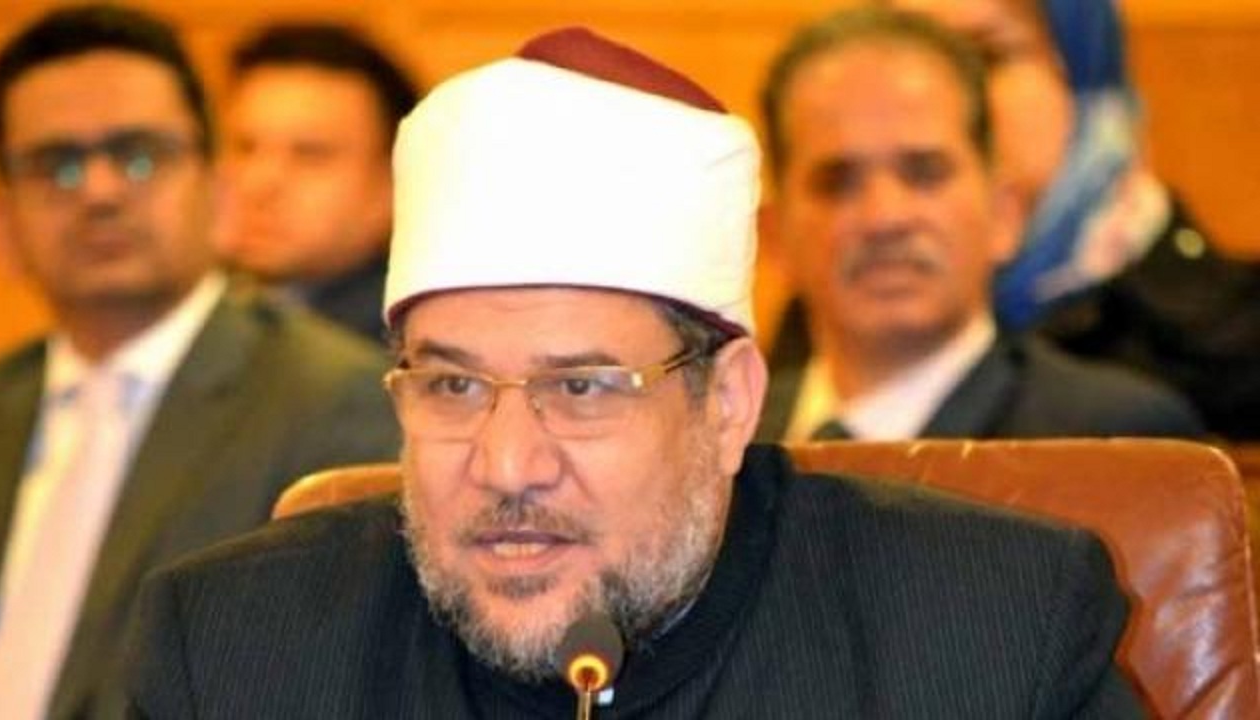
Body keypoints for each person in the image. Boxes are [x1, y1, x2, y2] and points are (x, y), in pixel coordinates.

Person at [124, 24, 1144, 717]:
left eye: (581, 387)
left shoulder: (994, 635)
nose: (507, 466)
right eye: (453, 386)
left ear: (728, 404)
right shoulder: (233, 654)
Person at [0, 5, 399, 718]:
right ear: (1, 220)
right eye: (58, 165)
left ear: (218, 187)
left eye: (140, 154)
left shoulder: (336, 402)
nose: (101, 191)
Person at [754, 6, 1204, 442]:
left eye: (926, 174)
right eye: (837, 184)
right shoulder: (735, 441)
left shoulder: (1113, 435)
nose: (885, 217)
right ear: (774, 235)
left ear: (1003, 214)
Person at [873, 0, 1260, 440]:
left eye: (986, 56)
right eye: (914, 63)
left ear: (1083, 70)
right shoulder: (844, 322)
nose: (944, 101)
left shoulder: (1235, 345)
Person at [218, 22, 419, 341]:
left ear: (392, 185)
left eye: (310, 154)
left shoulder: (411, 343)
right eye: (245, 148)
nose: (258, 183)